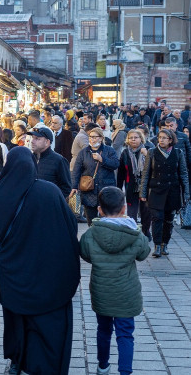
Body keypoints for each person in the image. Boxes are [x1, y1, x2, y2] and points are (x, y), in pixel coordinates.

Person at [0, 147, 80, 375]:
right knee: (48, 320)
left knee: (16, 319)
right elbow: (70, 225)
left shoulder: (0, 191)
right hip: (48, 270)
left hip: (13, 271)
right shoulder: (49, 190)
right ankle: (45, 363)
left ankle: (18, 360)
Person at [79, 187, 150, 375]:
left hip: (102, 292)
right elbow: (143, 254)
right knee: (125, 334)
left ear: (100, 210)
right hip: (127, 294)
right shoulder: (134, 234)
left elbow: (85, 254)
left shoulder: (91, 234)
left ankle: (103, 366)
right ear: (124, 209)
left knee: (103, 330)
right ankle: (125, 371)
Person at [140, 129, 190, 257]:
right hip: (156, 190)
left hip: (172, 191)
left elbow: (183, 174)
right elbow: (146, 174)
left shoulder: (178, 153)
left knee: (168, 220)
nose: (161, 140)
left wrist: (186, 194)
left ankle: (164, 244)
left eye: (164, 138)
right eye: (159, 137)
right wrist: (143, 193)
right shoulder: (152, 152)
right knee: (157, 218)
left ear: (170, 140)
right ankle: (157, 246)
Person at [71, 127, 120, 226]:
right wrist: (74, 186)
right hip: (89, 191)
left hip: (106, 190)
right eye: (90, 137)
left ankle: (104, 240)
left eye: (94, 137)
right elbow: (76, 171)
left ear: (101, 138)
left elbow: (115, 164)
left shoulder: (109, 150)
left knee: (106, 221)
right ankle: (93, 239)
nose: (92, 139)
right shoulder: (83, 152)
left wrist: (102, 159)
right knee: (91, 222)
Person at [117, 130, 152, 240]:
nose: (133, 139)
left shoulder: (148, 150)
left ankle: (146, 231)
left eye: (136, 137)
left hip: (145, 185)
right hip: (131, 186)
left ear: (141, 139)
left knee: (145, 211)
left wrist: (146, 155)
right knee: (132, 212)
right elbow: (121, 172)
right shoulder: (125, 153)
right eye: (131, 137)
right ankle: (133, 232)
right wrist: (119, 187)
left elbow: (154, 167)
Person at [29, 126, 71, 198]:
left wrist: (51, 201)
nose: (32, 141)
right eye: (32, 138)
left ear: (47, 142)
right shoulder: (29, 158)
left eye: (37, 139)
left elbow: (66, 188)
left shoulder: (59, 160)